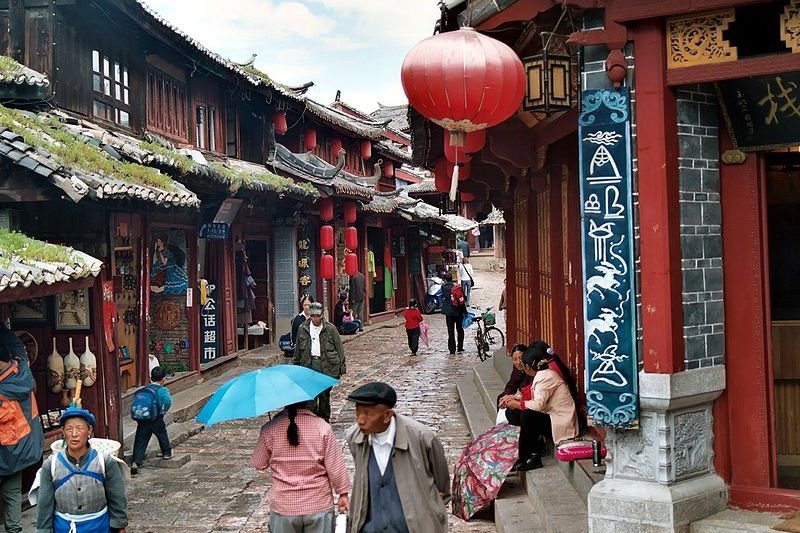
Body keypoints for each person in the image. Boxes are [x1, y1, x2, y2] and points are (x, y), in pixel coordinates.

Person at [345, 382, 450, 533]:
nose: (360, 420)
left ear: (387, 415)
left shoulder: (422, 438)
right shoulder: (355, 438)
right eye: (357, 412)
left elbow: (442, 485)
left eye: (367, 413)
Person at [251, 401, 351, 533]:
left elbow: (258, 463)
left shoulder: (270, 429)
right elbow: (335, 465)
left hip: (284, 506)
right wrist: (342, 494)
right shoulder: (322, 427)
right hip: (318, 504)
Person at [35, 407, 128, 533]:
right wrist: (43, 530)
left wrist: (119, 526)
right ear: (63, 432)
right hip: (63, 527)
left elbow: (117, 497)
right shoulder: (51, 465)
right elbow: (45, 504)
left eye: (79, 428)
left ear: (89, 430)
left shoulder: (105, 462)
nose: (74, 434)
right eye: (69, 429)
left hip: (99, 527)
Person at [500, 341, 579, 472]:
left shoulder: (545, 377)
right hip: (550, 415)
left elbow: (537, 404)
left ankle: (531, 456)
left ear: (527, 367)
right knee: (512, 412)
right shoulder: (541, 374)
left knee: (527, 415)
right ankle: (524, 452)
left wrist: (518, 404)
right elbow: (531, 393)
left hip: (561, 422)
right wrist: (514, 399)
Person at [0, 322, 43, 533]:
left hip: (4, 453)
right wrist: (2, 330)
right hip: (18, 454)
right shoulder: (22, 370)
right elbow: (18, 347)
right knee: (13, 495)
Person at [293, 302, 346, 422]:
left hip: (326, 365)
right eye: (312, 316)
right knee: (310, 395)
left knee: (324, 396)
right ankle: (312, 421)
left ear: (321, 315)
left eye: (317, 316)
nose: (315, 318)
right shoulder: (303, 328)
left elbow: (339, 349)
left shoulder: (330, 329)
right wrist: (296, 367)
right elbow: (298, 351)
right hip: (309, 364)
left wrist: (341, 369)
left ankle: (324, 419)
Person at [130, 366, 173, 475]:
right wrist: (163, 411)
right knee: (162, 434)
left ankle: (136, 461)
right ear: (163, 379)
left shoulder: (144, 389)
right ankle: (166, 453)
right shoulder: (162, 390)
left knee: (140, 439)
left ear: (150, 378)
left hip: (143, 418)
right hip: (156, 418)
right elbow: (168, 401)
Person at [496, 344, 531, 408]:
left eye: (521, 358)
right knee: (501, 398)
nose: (518, 362)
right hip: (519, 394)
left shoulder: (531, 369)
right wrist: (507, 395)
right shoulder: (516, 369)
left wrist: (514, 397)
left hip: (527, 397)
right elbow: (512, 384)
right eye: (515, 359)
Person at [440, 272, 465, 355]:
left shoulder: (443, 287)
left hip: (449, 312)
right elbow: (462, 299)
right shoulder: (457, 287)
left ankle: (452, 349)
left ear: (445, 280)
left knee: (450, 331)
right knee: (460, 329)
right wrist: (465, 311)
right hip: (458, 311)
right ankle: (460, 347)